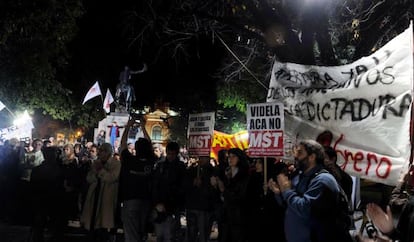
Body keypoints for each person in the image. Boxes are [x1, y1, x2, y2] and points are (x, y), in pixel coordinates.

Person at [268, 139, 353, 242]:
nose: (295, 156)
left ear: (312, 157)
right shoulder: (299, 176)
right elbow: (290, 205)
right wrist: (279, 193)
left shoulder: (323, 180)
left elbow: (305, 209)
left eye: (300, 152)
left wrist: (286, 190)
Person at [81, 143, 121, 242]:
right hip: (94, 195)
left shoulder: (116, 164)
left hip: (107, 196)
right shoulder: (96, 163)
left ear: (108, 152)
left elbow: (112, 177)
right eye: (100, 150)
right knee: (92, 220)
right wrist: (95, 175)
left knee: (104, 222)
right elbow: (89, 178)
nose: (100, 153)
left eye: (103, 150)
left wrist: (101, 171)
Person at [119, 137, 156, 242]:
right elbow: (150, 144)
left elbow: (123, 144)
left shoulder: (129, 160)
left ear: (136, 148)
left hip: (130, 200)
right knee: (141, 231)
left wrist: (128, 126)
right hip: (146, 202)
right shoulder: (150, 162)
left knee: (131, 232)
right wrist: (143, 127)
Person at [211, 148, 250, 242]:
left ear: (240, 158)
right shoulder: (226, 173)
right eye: (229, 157)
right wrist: (215, 185)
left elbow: (240, 196)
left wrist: (224, 190)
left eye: (233, 157)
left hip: (238, 218)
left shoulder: (245, 175)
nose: (230, 159)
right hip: (225, 216)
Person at [151, 141, 186, 242]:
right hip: (160, 206)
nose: (170, 156)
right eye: (169, 153)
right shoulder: (160, 166)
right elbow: (155, 186)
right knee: (160, 235)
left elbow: (181, 188)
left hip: (173, 206)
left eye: (173, 154)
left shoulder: (180, 167)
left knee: (170, 235)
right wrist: (157, 203)